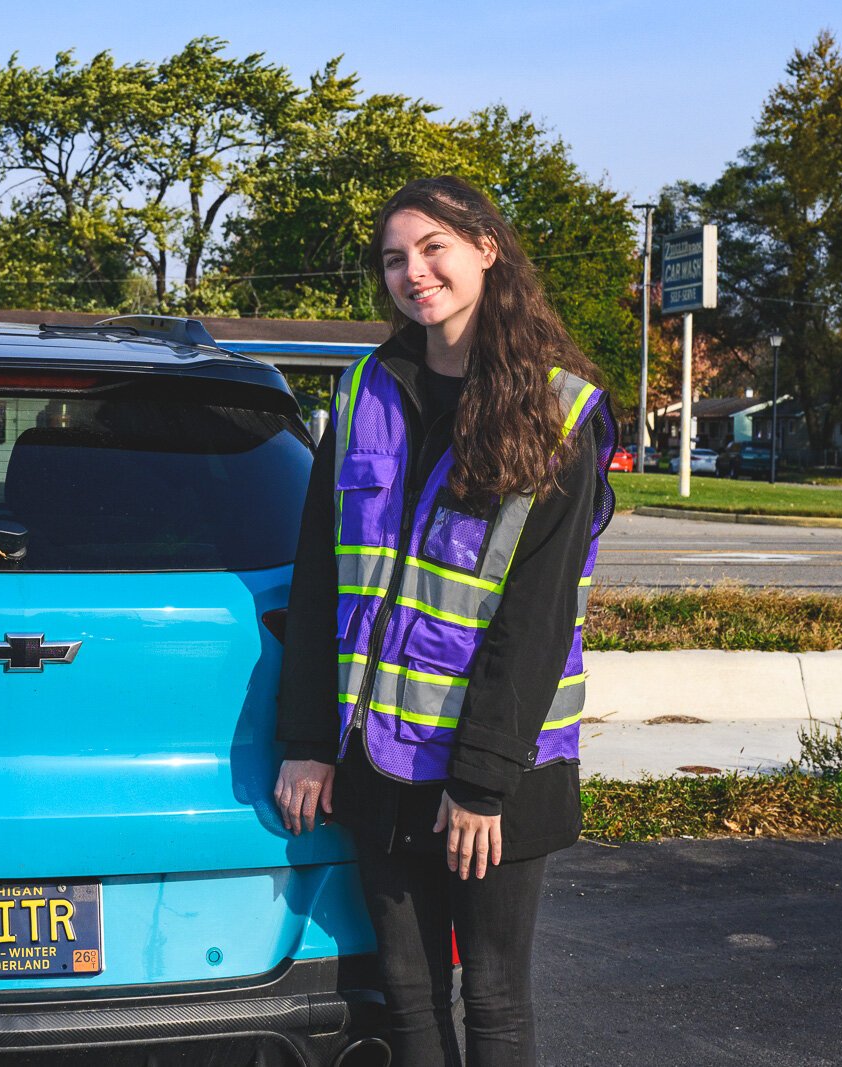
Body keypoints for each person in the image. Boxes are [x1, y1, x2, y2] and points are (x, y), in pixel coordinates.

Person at [272, 176, 615, 1067]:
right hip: (376, 758)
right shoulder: (360, 395)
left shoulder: (559, 411)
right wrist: (309, 739)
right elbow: (320, 586)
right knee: (409, 994)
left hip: (494, 772)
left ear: (485, 250)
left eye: (433, 249)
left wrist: (480, 784)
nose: (413, 272)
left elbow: (536, 623)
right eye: (394, 258)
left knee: (496, 998)